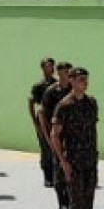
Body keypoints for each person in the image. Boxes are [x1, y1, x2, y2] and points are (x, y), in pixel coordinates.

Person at [50, 66, 101, 209]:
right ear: (71, 81)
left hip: (89, 158)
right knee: (76, 200)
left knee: (88, 199)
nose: (84, 83)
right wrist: (63, 161)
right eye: (80, 79)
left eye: (86, 79)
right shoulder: (64, 105)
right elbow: (54, 135)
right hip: (74, 160)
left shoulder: (91, 103)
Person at [40, 62, 73, 209]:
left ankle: (72, 198)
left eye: (68, 72)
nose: (66, 75)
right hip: (57, 135)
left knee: (72, 167)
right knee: (59, 169)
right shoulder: (51, 92)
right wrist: (48, 138)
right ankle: (62, 201)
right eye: (64, 72)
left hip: (72, 136)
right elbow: (42, 115)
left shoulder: (74, 90)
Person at [28, 58, 58, 191]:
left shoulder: (57, 84)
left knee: (56, 149)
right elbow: (31, 102)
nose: (50, 69)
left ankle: (56, 175)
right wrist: (35, 122)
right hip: (43, 121)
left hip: (55, 121)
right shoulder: (38, 86)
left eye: (52, 66)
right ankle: (47, 175)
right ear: (42, 68)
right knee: (45, 149)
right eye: (47, 66)